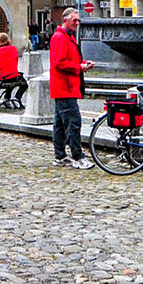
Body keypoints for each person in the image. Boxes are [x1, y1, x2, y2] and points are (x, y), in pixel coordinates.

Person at [49, 9, 95, 168]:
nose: (77, 23)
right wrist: (79, 67)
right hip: (64, 87)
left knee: (60, 124)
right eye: (75, 20)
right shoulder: (61, 37)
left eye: (78, 20)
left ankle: (60, 156)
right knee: (73, 122)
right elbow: (59, 63)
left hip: (64, 87)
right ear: (65, 20)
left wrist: (82, 63)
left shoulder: (64, 36)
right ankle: (78, 156)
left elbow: (66, 59)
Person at [0, 31, 21, 109]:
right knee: (24, 83)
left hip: (2, 79)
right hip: (14, 77)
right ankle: (12, 97)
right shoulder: (14, 48)